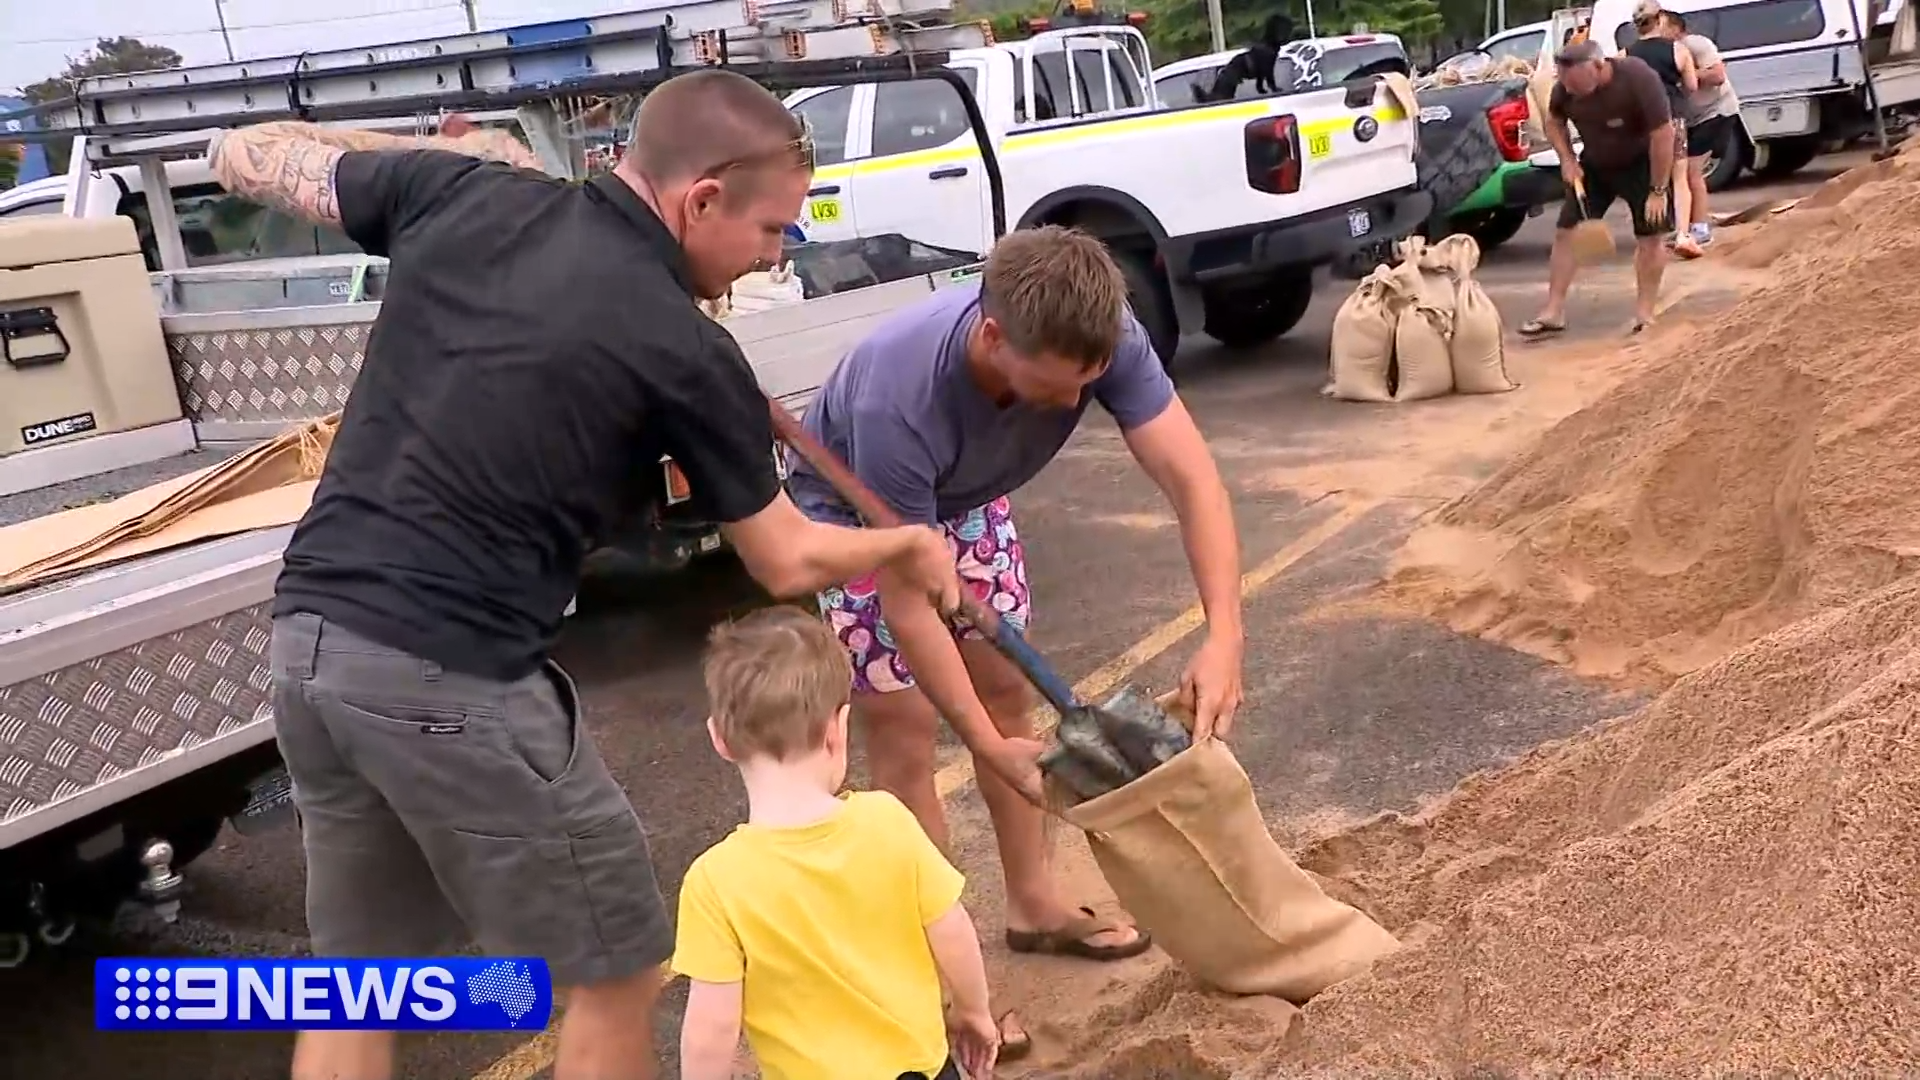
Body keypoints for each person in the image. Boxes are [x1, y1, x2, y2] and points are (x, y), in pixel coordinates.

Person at [211, 70, 964, 1080]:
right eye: (774, 231)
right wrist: (908, 548)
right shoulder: (685, 348)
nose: (774, 255)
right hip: (453, 670)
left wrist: (448, 152)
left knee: (360, 981)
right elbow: (785, 556)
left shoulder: (466, 193)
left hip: (311, 649)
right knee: (618, 972)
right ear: (701, 200)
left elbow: (246, 152)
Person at [786, 226, 1247, 1027]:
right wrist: (982, 745)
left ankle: (1033, 904)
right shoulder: (899, 397)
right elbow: (907, 598)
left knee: (1007, 695)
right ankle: (943, 970)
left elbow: (1192, 477)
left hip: (966, 499)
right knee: (907, 730)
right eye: (1056, 386)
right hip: (863, 520)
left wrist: (1225, 632)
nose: (1074, 406)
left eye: (1089, 383)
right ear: (993, 336)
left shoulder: (1104, 333)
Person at [674, 607, 1001, 1080]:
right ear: (837, 728)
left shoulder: (714, 882)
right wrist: (975, 1013)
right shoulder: (888, 821)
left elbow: (711, 1028)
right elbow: (952, 932)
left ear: (719, 739)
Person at [1519, 39, 1675, 338]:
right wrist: (1567, 159)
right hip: (1596, 165)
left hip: (1643, 165)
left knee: (1650, 237)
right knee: (1566, 231)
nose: (1572, 91)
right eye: (1567, 85)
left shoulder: (1638, 78)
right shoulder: (1565, 88)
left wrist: (1658, 189)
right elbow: (1554, 121)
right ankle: (1553, 311)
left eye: (1578, 84)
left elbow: (1663, 135)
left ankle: (1645, 313)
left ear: (1599, 66)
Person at [1621, 0, 1700, 252]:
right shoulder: (1678, 50)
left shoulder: (1625, 55)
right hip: (1671, 119)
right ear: (1660, 19)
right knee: (1679, 178)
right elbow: (1692, 86)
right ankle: (1683, 235)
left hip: (1640, 125)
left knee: (1651, 181)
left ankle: (1652, 234)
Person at [1665, 8, 1740, 255]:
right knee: (1681, 172)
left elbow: (1718, 75)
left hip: (1717, 111)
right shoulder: (1667, 52)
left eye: (1662, 25)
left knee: (1691, 172)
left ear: (1676, 28)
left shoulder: (1694, 44)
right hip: (1693, 118)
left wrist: (1687, 74)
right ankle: (1685, 227)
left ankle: (1699, 229)